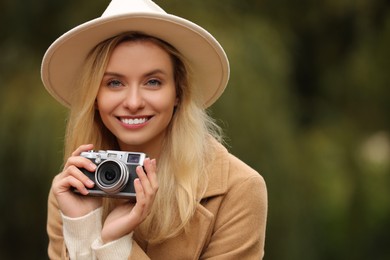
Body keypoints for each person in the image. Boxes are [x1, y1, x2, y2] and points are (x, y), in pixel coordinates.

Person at [42, 0, 268, 259]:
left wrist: (114, 245)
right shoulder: (70, 191)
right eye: (115, 83)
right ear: (95, 96)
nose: (134, 102)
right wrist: (83, 228)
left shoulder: (238, 190)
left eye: (152, 82)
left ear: (178, 92)